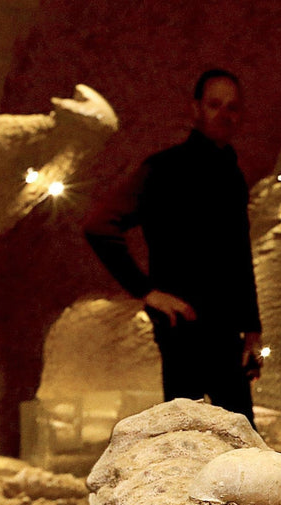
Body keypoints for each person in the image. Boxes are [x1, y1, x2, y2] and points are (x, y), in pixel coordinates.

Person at [84, 68, 263, 427]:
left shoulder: (231, 173)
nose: (224, 114)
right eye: (215, 105)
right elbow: (98, 225)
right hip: (184, 329)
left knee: (239, 448)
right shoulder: (164, 169)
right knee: (188, 443)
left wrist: (251, 328)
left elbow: (237, 255)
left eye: (232, 107)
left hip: (226, 334)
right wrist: (147, 292)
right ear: (195, 108)